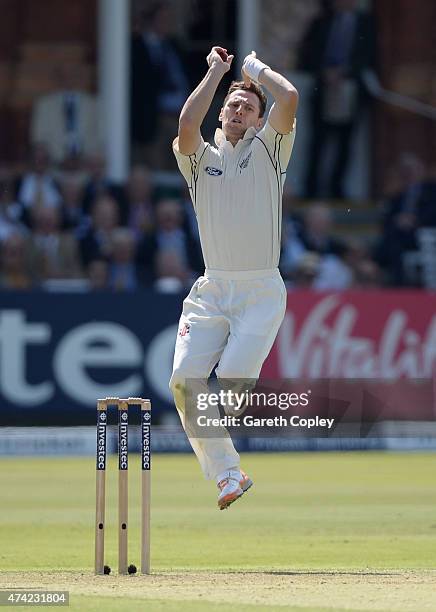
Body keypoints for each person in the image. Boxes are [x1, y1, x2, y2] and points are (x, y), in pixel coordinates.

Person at [169, 46, 298, 509]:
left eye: (248, 106)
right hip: (211, 290)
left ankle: (228, 425)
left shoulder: (270, 148)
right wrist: (215, 74)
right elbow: (186, 126)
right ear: (221, 114)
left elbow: (291, 97)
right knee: (184, 382)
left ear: (260, 119)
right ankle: (228, 474)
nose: (238, 109)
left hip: (261, 290)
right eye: (232, 105)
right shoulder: (200, 161)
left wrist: (256, 70)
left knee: (234, 378)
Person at [298, 0, 376, 198]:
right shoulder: (322, 21)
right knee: (318, 140)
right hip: (323, 88)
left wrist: (347, 73)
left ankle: (337, 189)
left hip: (350, 89)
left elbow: (371, 56)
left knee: (345, 142)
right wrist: (324, 72)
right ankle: (311, 189)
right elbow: (307, 54)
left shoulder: (366, 23)